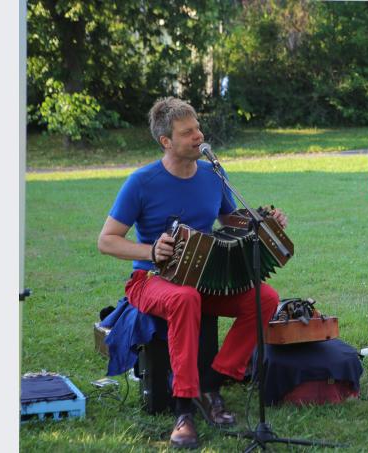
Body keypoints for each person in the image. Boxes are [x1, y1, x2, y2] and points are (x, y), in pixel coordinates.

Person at [98, 97, 285, 449]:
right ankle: (184, 408)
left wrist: (264, 221)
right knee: (184, 298)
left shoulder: (213, 173)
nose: (198, 136)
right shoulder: (141, 182)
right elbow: (107, 240)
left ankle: (213, 384)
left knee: (266, 297)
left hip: (204, 277)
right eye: (188, 132)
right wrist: (150, 251)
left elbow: (229, 219)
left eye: (198, 127)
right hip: (151, 280)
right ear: (166, 141)